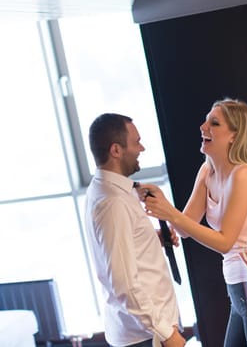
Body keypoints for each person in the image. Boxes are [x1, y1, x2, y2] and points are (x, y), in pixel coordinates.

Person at [141, 99, 247, 347]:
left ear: (234, 135)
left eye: (214, 123)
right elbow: (184, 227)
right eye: (206, 120)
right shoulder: (207, 172)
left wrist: (170, 212)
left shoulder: (243, 176)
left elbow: (225, 242)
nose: (203, 127)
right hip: (236, 288)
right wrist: (163, 206)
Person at [84, 113, 185, 347]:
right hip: (145, 337)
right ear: (116, 151)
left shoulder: (111, 188)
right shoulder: (113, 202)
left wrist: (151, 240)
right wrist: (166, 334)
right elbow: (124, 284)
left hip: (148, 331)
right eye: (136, 141)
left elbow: (118, 251)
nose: (142, 148)